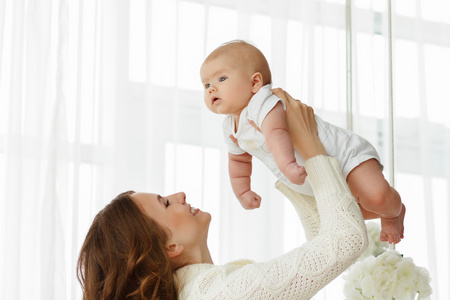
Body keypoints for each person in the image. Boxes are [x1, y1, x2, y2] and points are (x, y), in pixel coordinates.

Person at [77, 89, 368, 299]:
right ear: (169, 247)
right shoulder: (218, 293)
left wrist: (287, 163)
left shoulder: (207, 289)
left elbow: (324, 249)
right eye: (165, 203)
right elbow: (345, 241)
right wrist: (309, 144)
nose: (178, 194)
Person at [200, 40, 405, 244]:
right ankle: (385, 211)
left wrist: (288, 166)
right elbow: (238, 162)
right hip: (317, 177)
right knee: (346, 212)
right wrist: (242, 191)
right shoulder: (230, 127)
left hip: (343, 156)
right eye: (207, 84)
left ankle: (392, 213)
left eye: (222, 78)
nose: (211, 89)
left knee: (377, 198)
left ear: (255, 83)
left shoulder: (262, 102)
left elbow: (276, 133)